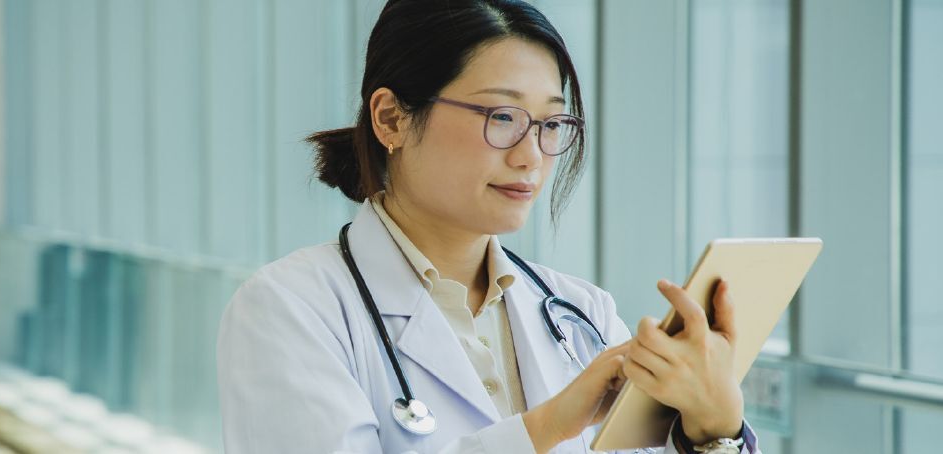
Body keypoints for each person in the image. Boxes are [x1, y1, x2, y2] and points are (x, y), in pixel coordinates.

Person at [217, 1, 759, 452]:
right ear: (391, 118)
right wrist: (548, 427)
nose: (531, 156)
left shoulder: (583, 314)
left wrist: (715, 430)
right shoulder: (292, 309)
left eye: (550, 123)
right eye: (501, 117)